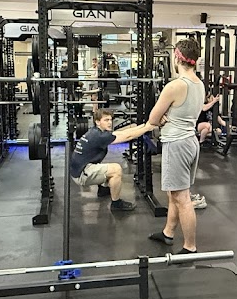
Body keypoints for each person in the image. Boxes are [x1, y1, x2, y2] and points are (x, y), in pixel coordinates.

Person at [147, 39, 204, 253]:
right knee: (175, 193)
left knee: (182, 198)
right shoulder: (199, 83)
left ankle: (190, 246)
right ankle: (168, 233)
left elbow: (153, 118)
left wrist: (162, 118)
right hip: (190, 141)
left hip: (177, 144)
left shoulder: (175, 86)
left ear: (177, 58)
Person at [70, 109, 154, 211]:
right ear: (97, 122)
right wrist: (147, 128)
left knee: (102, 165)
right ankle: (116, 203)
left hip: (79, 170)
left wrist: (144, 125)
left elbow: (120, 133)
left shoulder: (95, 131)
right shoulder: (99, 136)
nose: (110, 122)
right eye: (106, 120)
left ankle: (102, 189)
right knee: (116, 169)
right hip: (81, 175)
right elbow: (128, 136)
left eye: (110, 120)